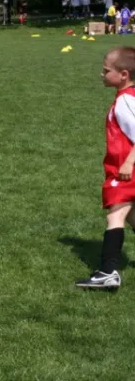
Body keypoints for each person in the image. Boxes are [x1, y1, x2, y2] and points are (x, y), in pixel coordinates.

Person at [75, 47, 135, 290]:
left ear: (123, 74)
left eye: (106, 71)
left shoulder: (125, 101)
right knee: (131, 215)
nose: (101, 74)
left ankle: (108, 271)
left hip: (126, 171)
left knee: (115, 215)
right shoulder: (126, 98)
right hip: (124, 168)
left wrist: (129, 162)